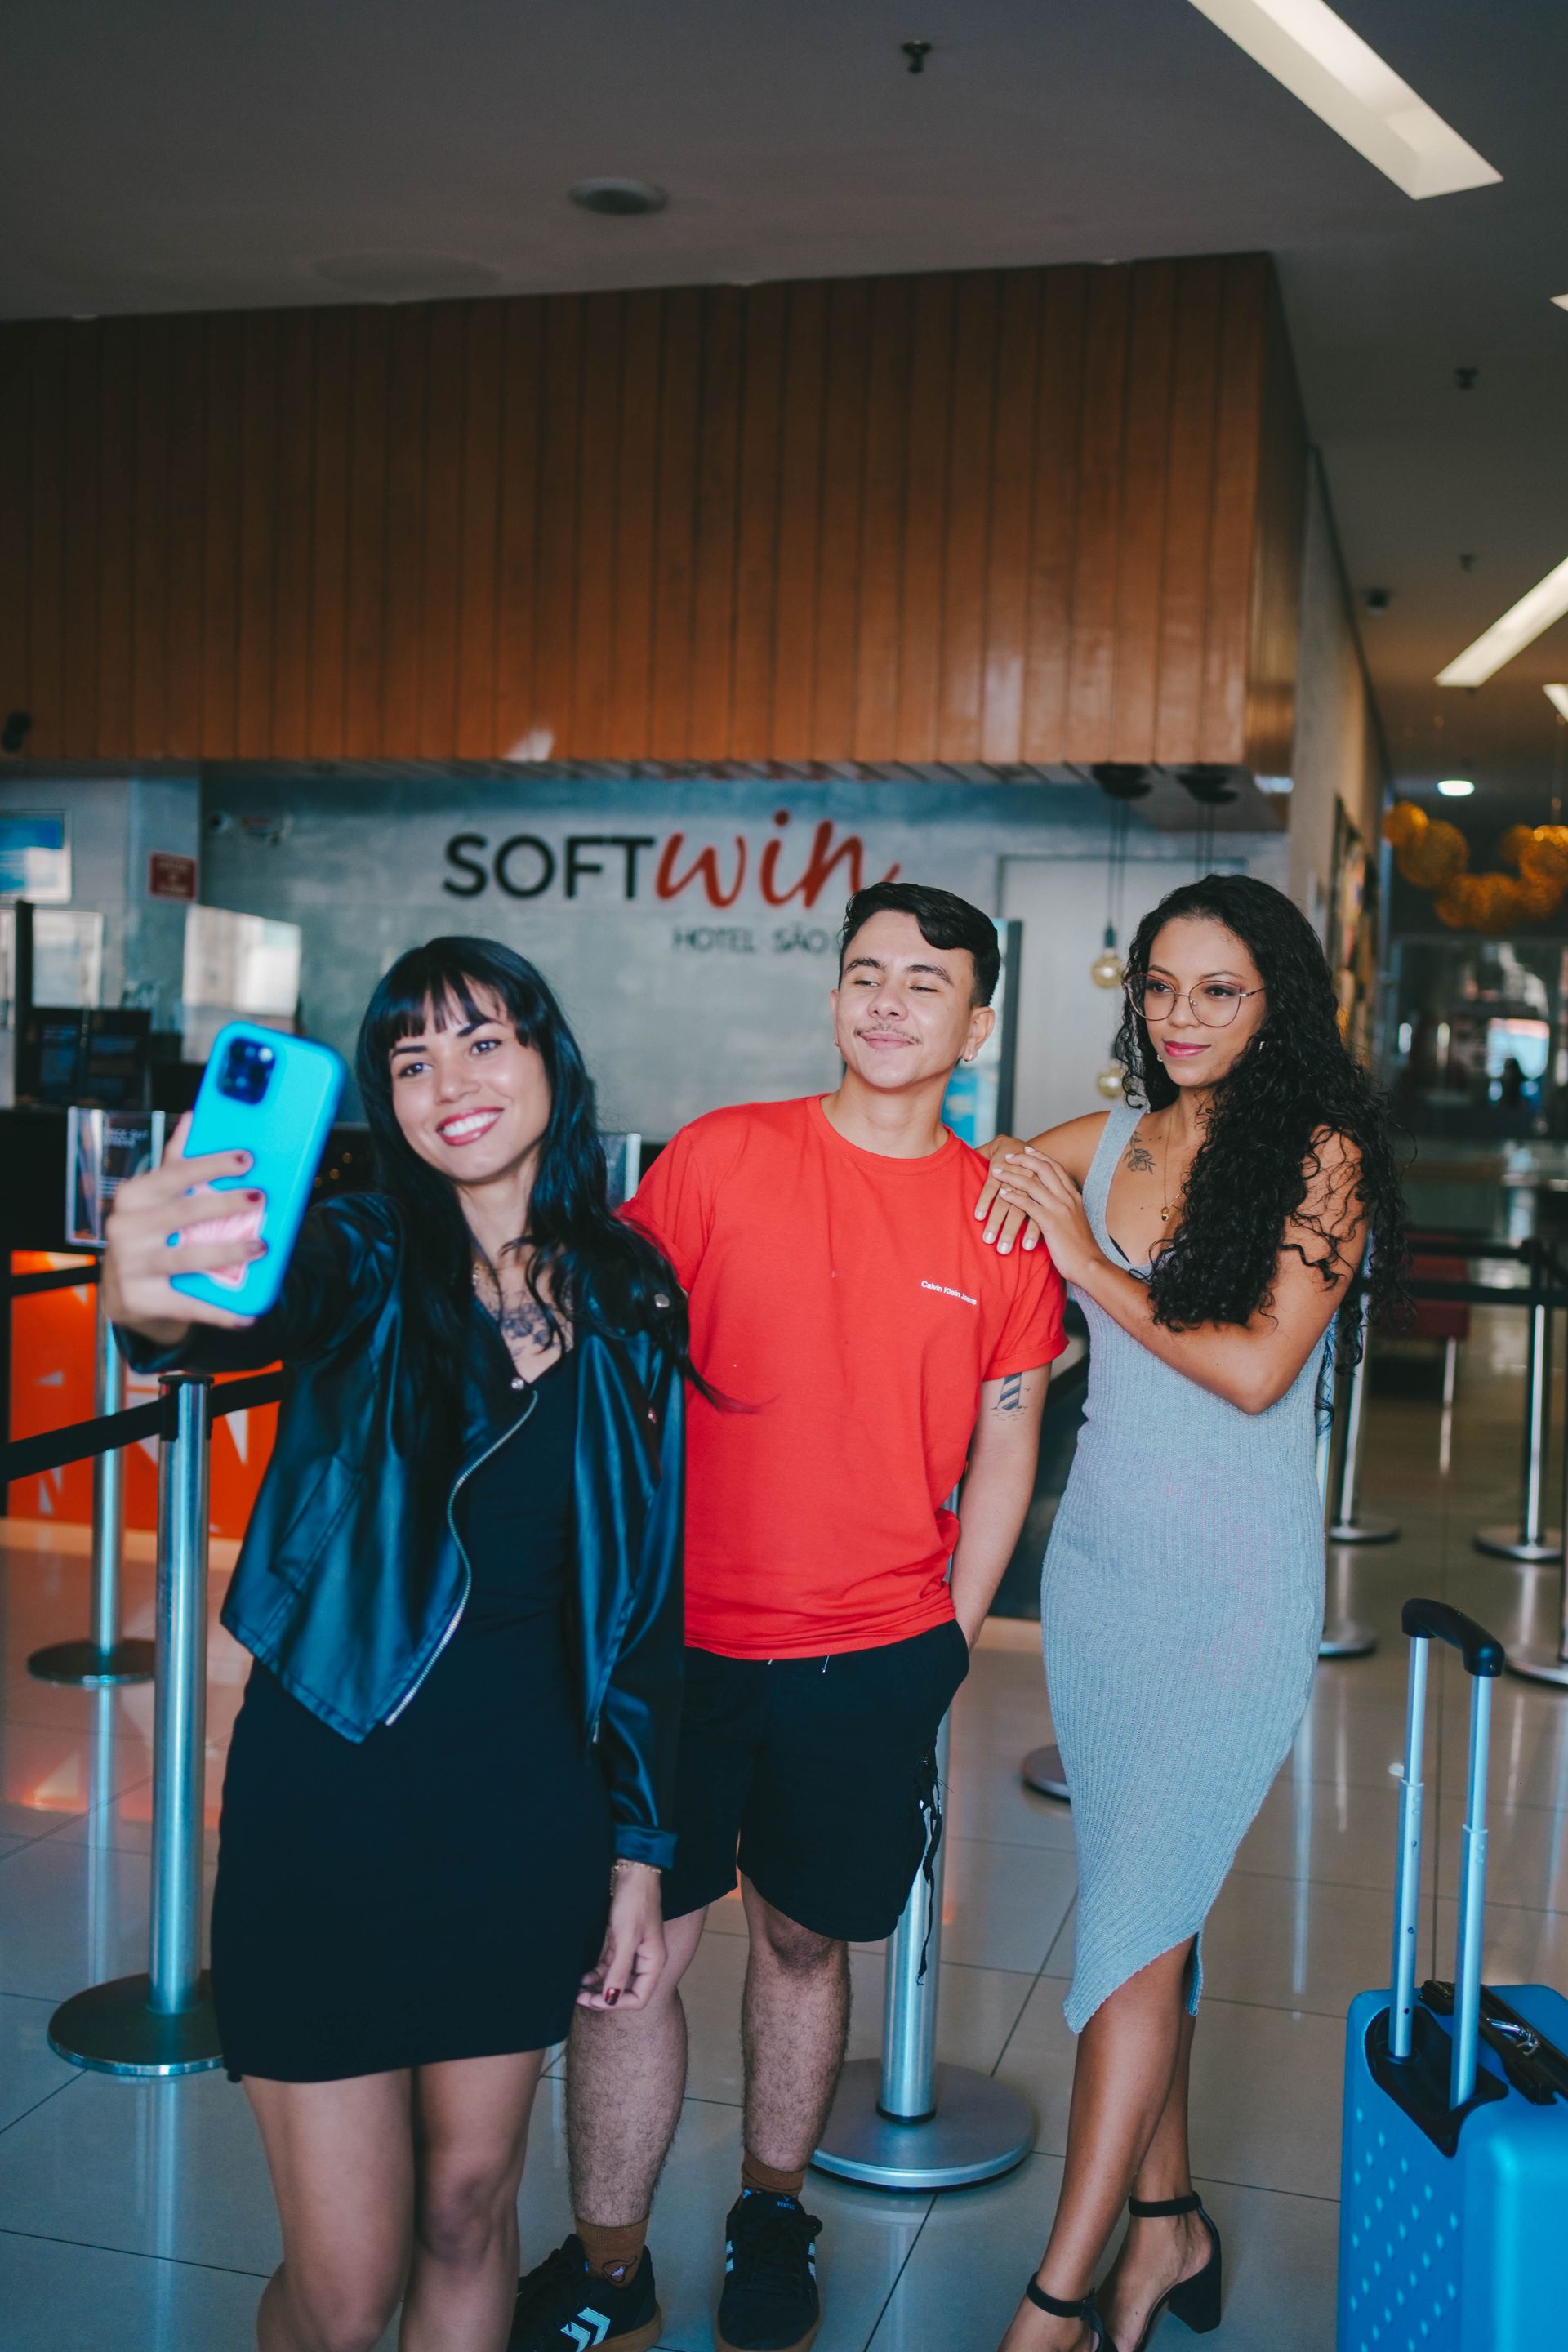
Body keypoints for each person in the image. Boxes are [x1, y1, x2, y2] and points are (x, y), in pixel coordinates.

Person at [103, 938, 692, 2352]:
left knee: (469, 2205)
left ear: (550, 1058)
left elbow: (648, 1599)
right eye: (411, 1061)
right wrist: (146, 1292)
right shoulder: (366, 1257)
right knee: (349, 2284)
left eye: (483, 1041)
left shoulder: (630, 1293)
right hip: (332, 1804)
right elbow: (216, 1309)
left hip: (524, 1814)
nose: (450, 1083)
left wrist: (641, 1845)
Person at [511, 881, 1068, 2352]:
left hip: (872, 1653)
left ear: (977, 1019)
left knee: (809, 1948)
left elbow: (1009, 1440)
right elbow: (590, 1321)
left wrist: (949, 1633)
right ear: (835, 993)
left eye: (926, 982)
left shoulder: (1000, 1218)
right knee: (628, 1961)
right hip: (674, 1650)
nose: (888, 1002)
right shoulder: (720, 1158)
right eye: (865, 972)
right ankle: (608, 2264)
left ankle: (773, 2210)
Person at [973, 875, 1407, 2352]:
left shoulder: (1321, 1159)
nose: (1180, 1017)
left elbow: (1251, 1369)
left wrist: (1088, 1261)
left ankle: (1056, 2303)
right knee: (1139, 1930)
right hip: (1099, 1581)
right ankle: (1168, 2228)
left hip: (1232, 1591)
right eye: (1159, 987)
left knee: (1136, 1935)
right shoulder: (1103, 1143)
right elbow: (944, 1200)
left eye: (1217, 990)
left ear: (1276, 998)